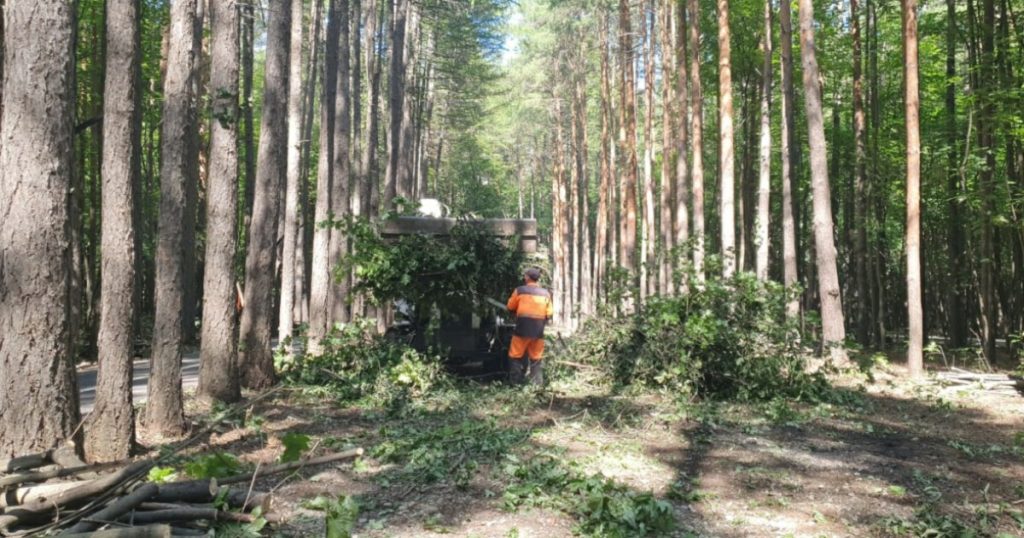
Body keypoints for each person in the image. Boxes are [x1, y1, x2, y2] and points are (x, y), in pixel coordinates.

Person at [505, 267, 553, 385]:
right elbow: (549, 313)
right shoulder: (545, 293)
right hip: (538, 332)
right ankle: (537, 385)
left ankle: (515, 383)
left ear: (527, 277)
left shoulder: (519, 291)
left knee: (515, 355)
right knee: (536, 357)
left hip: (522, 329)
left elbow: (510, 306)